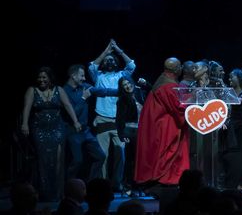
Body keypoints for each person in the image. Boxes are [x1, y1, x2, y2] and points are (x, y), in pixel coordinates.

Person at [21, 67, 82, 201]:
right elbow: (27, 108)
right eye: (39, 77)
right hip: (39, 129)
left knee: (58, 160)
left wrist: (75, 121)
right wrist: (24, 123)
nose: (41, 80)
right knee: (43, 160)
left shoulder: (59, 90)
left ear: (49, 78)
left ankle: (57, 193)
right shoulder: (32, 90)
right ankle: (44, 192)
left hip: (57, 128)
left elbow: (67, 105)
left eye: (44, 77)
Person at [135, 58, 188, 186]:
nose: (181, 68)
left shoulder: (163, 80)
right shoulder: (168, 86)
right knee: (165, 153)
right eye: (180, 66)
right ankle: (164, 179)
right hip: (163, 126)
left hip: (157, 122)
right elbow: (178, 108)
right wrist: (193, 105)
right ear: (176, 69)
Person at [89, 40, 136, 183]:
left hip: (118, 120)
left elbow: (131, 65)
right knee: (103, 155)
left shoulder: (121, 76)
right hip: (102, 118)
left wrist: (117, 49)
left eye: (112, 60)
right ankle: (103, 183)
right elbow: (92, 66)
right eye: (107, 60)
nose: (109, 62)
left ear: (116, 62)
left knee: (120, 154)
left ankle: (117, 183)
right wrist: (106, 52)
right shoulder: (98, 77)